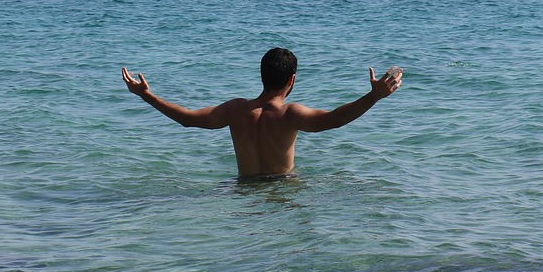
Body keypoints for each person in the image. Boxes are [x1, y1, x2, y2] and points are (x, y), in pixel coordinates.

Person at [122, 47, 403, 177]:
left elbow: (187, 119)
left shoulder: (235, 110)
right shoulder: (290, 114)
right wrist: (374, 96)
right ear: (292, 79)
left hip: (243, 194)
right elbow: (334, 120)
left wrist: (147, 95)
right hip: (282, 194)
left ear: (261, 76)